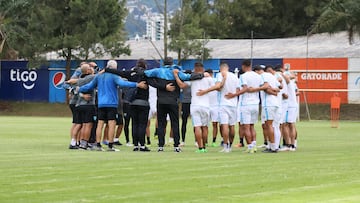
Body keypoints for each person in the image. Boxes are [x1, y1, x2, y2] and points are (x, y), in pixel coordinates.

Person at [79, 60, 147, 152]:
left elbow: (89, 86)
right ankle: (110, 145)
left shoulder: (98, 76)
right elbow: (123, 84)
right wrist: (136, 84)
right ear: (114, 68)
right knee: (112, 123)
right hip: (111, 103)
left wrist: (79, 89)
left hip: (101, 103)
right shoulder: (114, 76)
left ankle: (98, 144)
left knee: (100, 123)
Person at [144, 57, 207, 152]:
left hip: (161, 101)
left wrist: (161, 86)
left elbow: (145, 74)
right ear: (172, 63)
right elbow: (188, 77)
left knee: (161, 124)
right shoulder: (176, 71)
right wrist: (202, 75)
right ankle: (176, 146)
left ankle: (160, 146)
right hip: (173, 101)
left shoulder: (157, 71)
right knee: (175, 123)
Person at [105, 58, 151, 152]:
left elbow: (119, 73)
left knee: (135, 124)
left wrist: (106, 69)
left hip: (132, 102)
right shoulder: (147, 74)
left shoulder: (131, 73)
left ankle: (135, 145)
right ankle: (142, 145)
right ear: (145, 66)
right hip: (143, 102)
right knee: (142, 124)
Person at [226, 60, 269, 153]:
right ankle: (254, 145)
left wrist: (234, 95)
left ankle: (250, 147)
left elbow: (245, 88)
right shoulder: (258, 76)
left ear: (243, 66)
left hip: (245, 104)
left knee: (246, 127)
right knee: (252, 126)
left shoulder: (243, 76)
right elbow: (265, 86)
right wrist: (256, 89)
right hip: (255, 104)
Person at [173, 62, 213, 153]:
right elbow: (216, 87)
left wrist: (176, 76)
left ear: (195, 69)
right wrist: (205, 91)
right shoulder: (209, 78)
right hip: (206, 105)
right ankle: (204, 146)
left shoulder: (192, 78)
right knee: (205, 127)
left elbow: (182, 85)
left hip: (195, 104)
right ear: (203, 68)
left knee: (197, 127)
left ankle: (200, 147)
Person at [197, 62, 237, 153]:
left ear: (221, 68)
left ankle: (226, 146)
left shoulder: (220, 75)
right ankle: (230, 145)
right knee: (232, 126)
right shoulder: (235, 76)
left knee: (225, 125)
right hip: (234, 104)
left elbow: (218, 87)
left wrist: (205, 91)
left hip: (223, 103)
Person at [253, 65, 281, 153]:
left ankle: (273, 147)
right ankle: (273, 145)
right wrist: (274, 91)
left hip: (268, 103)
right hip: (275, 103)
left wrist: (255, 89)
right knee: (274, 126)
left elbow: (266, 87)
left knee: (269, 125)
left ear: (257, 71)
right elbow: (280, 87)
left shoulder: (262, 76)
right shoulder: (271, 76)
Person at [205, 69, 220, 147]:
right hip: (206, 105)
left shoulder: (215, 80)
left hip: (215, 105)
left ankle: (214, 141)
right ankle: (205, 141)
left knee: (215, 124)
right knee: (205, 125)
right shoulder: (204, 81)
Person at [180, 70, 192, 147]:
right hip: (190, 103)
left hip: (186, 103)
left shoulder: (184, 83)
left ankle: (183, 141)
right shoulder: (193, 83)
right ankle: (197, 141)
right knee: (194, 122)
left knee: (184, 122)